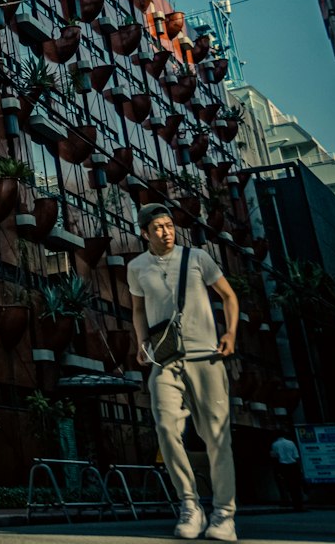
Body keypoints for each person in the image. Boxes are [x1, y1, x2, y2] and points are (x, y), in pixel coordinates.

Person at [128, 203, 240, 542]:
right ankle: (190, 505)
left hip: (206, 355)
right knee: (164, 426)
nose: (166, 231)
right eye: (158, 227)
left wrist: (231, 333)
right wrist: (141, 342)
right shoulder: (136, 267)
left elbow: (229, 297)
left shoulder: (198, 258)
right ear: (145, 233)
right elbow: (136, 309)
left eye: (169, 225)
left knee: (217, 436)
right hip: (165, 358)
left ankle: (224, 513)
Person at [270, 429, 303, 510]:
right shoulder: (291, 443)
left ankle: (286, 501)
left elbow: (275, 457)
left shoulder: (275, 444)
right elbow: (296, 456)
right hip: (293, 465)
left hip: (282, 465)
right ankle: (298, 502)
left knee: (284, 484)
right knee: (295, 485)